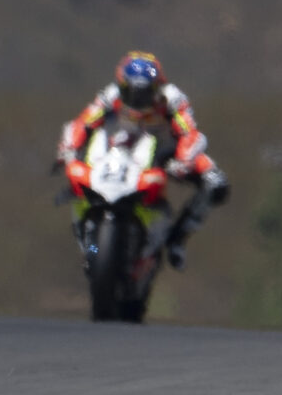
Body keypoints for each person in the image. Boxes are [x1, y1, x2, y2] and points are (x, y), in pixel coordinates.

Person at [56, 52, 229, 266]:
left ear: (157, 88)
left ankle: (178, 238)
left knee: (216, 183)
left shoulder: (172, 99)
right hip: (116, 151)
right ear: (121, 85)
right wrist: (68, 148)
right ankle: (90, 245)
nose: (137, 101)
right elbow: (83, 122)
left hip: (165, 151)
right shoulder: (110, 96)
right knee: (76, 177)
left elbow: (190, 133)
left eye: (145, 93)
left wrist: (184, 160)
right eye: (130, 91)